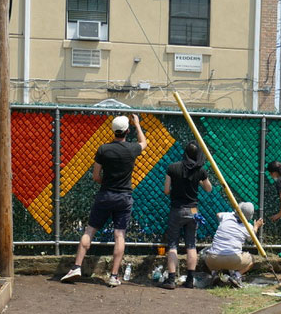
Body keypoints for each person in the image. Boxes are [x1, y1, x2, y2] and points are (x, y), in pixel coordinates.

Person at [61, 114, 148, 286]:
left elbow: (95, 176)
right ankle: (114, 276)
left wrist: (106, 182)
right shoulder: (131, 149)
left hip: (105, 194)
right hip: (124, 197)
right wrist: (137, 124)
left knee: (90, 231)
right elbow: (144, 143)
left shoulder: (103, 149)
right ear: (127, 131)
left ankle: (76, 266)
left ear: (113, 131)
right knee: (119, 235)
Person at [160, 142, 213, 290]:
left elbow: (166, 190)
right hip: (193, 210)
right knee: (191, 245)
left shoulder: (172, 167)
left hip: (176, 209)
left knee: (172, 245)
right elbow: (209, 189)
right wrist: (199, 181)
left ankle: (171, 279)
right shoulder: (200, 170)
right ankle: (190, 279)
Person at [204, 202, 264, 288]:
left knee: (207, 253)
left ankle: (215, 274)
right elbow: (252, 237)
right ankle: (236, 275)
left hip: (213, 260)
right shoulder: (248, 227)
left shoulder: (226, 216)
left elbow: (218, 214)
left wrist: (231, 215)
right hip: (233, 260)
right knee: (251, 259)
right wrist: (257, 226)